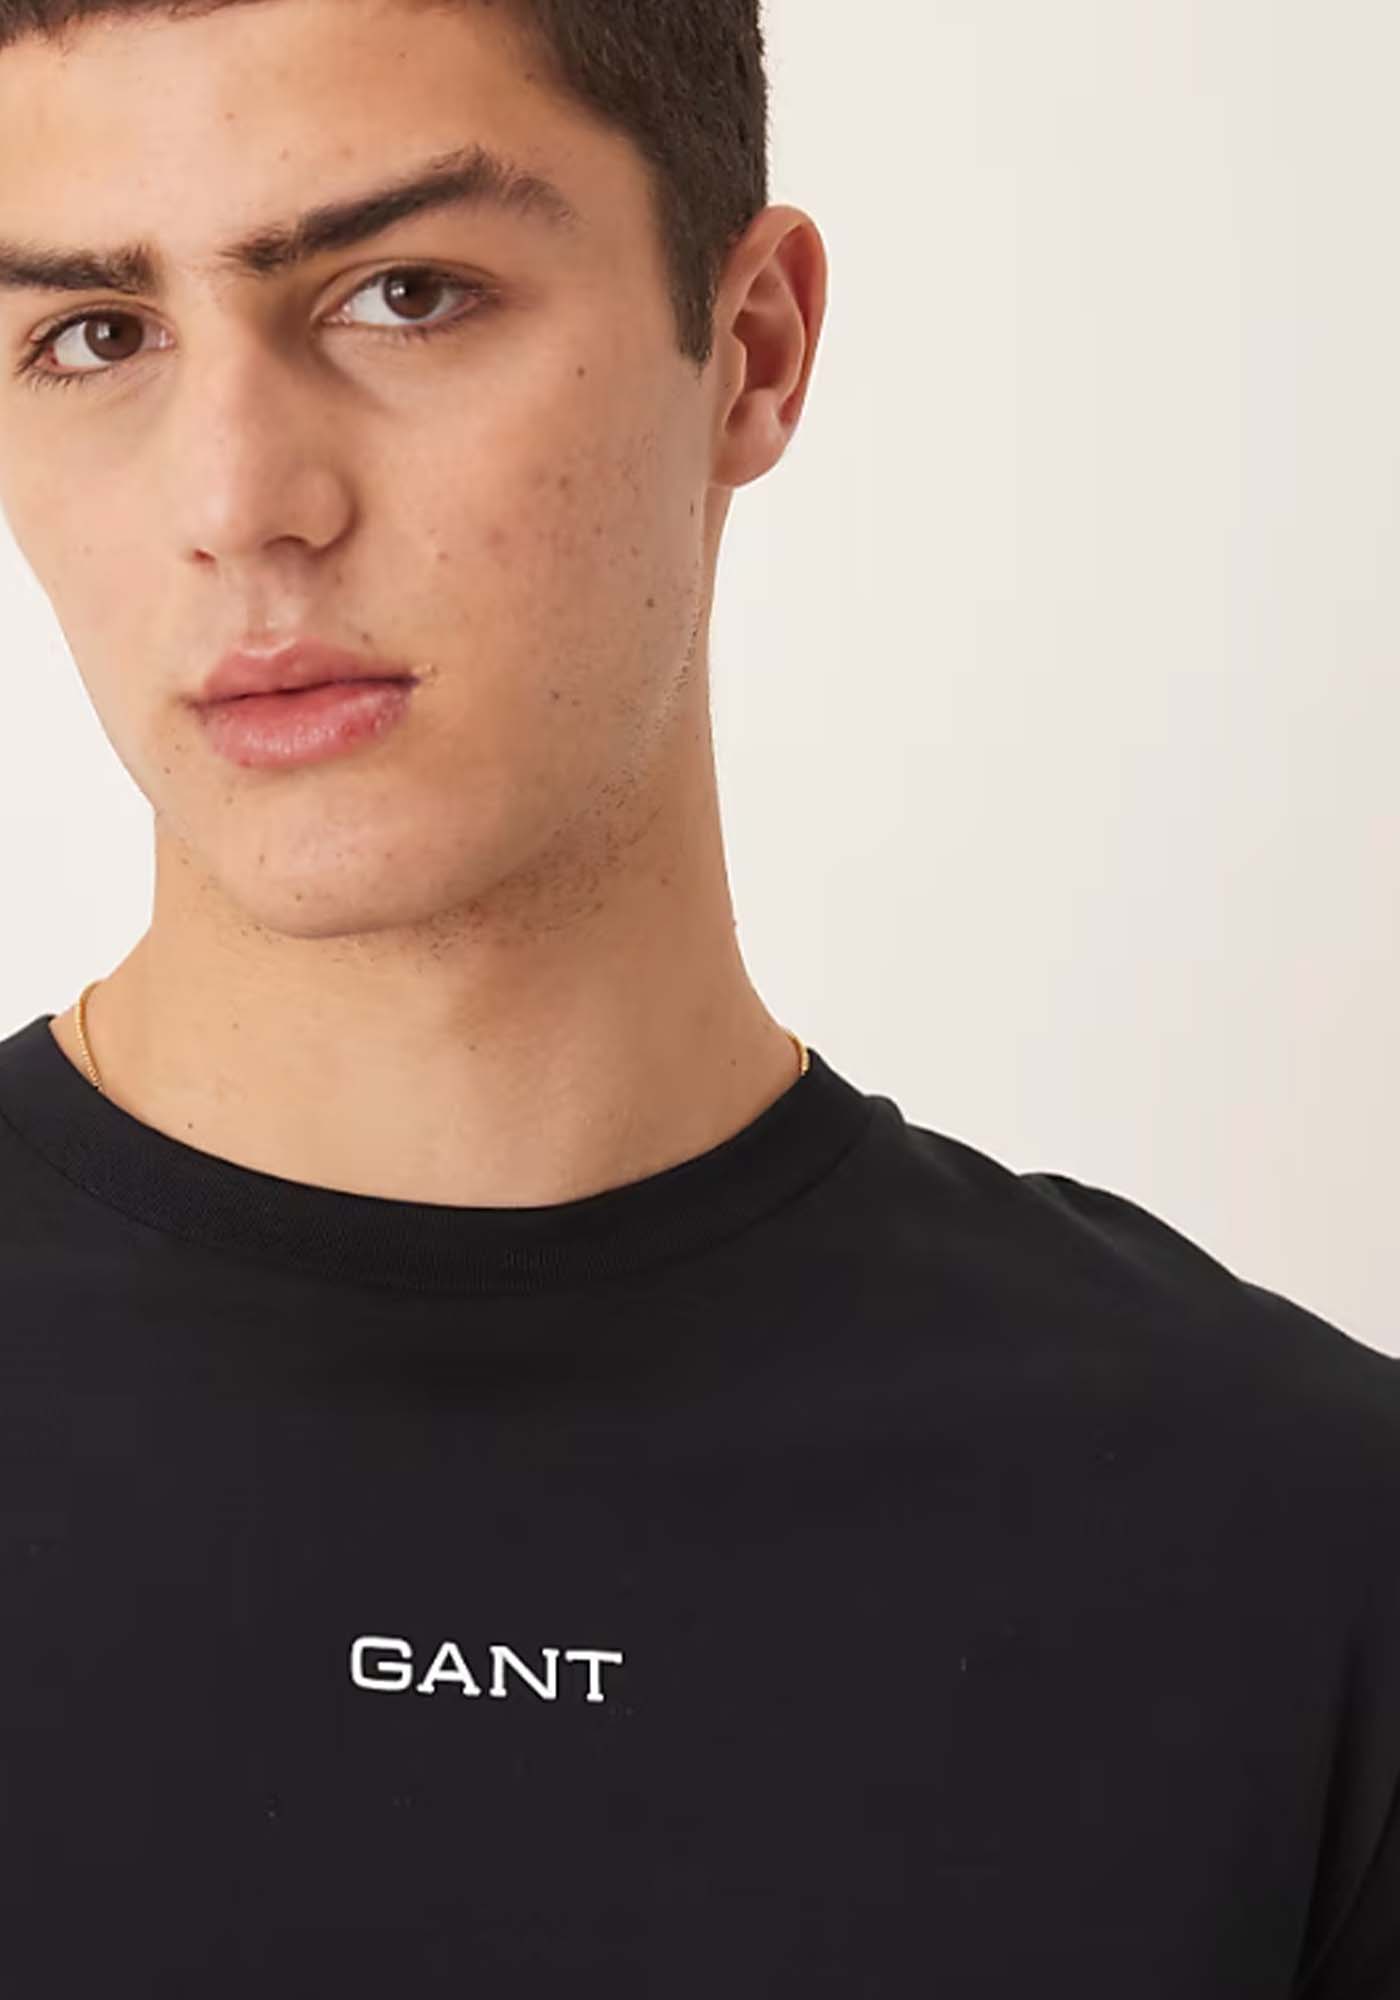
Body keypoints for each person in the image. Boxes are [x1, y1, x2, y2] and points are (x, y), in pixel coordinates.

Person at [0, 2, 1395, 1992]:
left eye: (405, 294)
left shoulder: (1303, 1555)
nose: (238, 499)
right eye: (94, 335)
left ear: (751, 347)